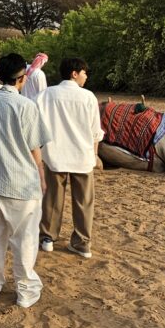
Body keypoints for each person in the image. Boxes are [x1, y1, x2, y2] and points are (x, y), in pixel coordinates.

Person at [0, 53, 50, 308]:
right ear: (22, 78)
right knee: (24, 240)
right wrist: (41, 176)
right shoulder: (26, 106)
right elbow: (35, 147)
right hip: (21, 185)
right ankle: (25, 291)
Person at [33, 57, 104, 259]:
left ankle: (47, 238)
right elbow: (95, 131)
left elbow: (34, 121)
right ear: (74, 73)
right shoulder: (88, 97)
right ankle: (82, 243)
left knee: (52, 199)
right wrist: (95, 155)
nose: (86, 76)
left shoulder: (45, 95)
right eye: (84, 72)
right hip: (82, 157)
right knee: (84, 202)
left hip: (54, 155)